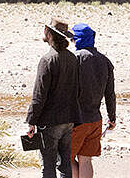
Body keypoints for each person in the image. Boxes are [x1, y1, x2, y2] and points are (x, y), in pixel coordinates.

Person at [27, 17, 82, 178]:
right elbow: (77, 89)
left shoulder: (47, 60)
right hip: (69, 119)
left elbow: (39, 94)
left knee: (48, 165)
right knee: (65, 164)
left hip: (50, 121)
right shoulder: (72, 58)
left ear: (49, 34)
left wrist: (31, 121)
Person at [70, 23, 117, 178]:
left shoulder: (75, 58)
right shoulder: (105, 61)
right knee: (86, 160)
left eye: (73, 39)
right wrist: (112, 117)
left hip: (76, 120)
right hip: (95, 120)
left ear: (78, 39)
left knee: (66, 158)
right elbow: (110, 94)